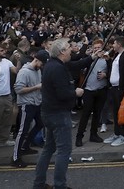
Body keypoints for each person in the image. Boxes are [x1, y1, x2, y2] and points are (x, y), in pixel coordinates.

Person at [31, 39, 85, 189]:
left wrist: (92, 57)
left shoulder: (51, 65)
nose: (71, 50)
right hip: (58, 114)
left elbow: (75, 64)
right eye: (68, 48)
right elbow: (63, 93)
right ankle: (60, 185)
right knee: (64, 150)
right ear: (62, 52)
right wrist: (76, 92)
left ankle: (39, 184)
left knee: (49, 148)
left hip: (48, 113)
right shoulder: (58, 68)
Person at [12, 50, 47, 168]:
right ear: (36, 60)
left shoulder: (38, 71)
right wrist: (36, 87)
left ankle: (25, 146)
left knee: (40, 123)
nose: (42, 66)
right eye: (42, 64)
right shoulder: (24, 72)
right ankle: (15, 157)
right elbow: (18, 90)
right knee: (22, 130)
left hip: (36, 103)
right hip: (26, 104)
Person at [76, 39, 108, 147]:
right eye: (95, 48)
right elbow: (80, 66)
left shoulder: (106, 60)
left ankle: (93, 134)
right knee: (86, 114)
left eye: (99, 48)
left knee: (97, 113)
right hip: (89, 90)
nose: (97, 50)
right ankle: (79, 136)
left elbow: (112, 71)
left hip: (101, 89)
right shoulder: (89, 59)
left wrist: (105, 75)